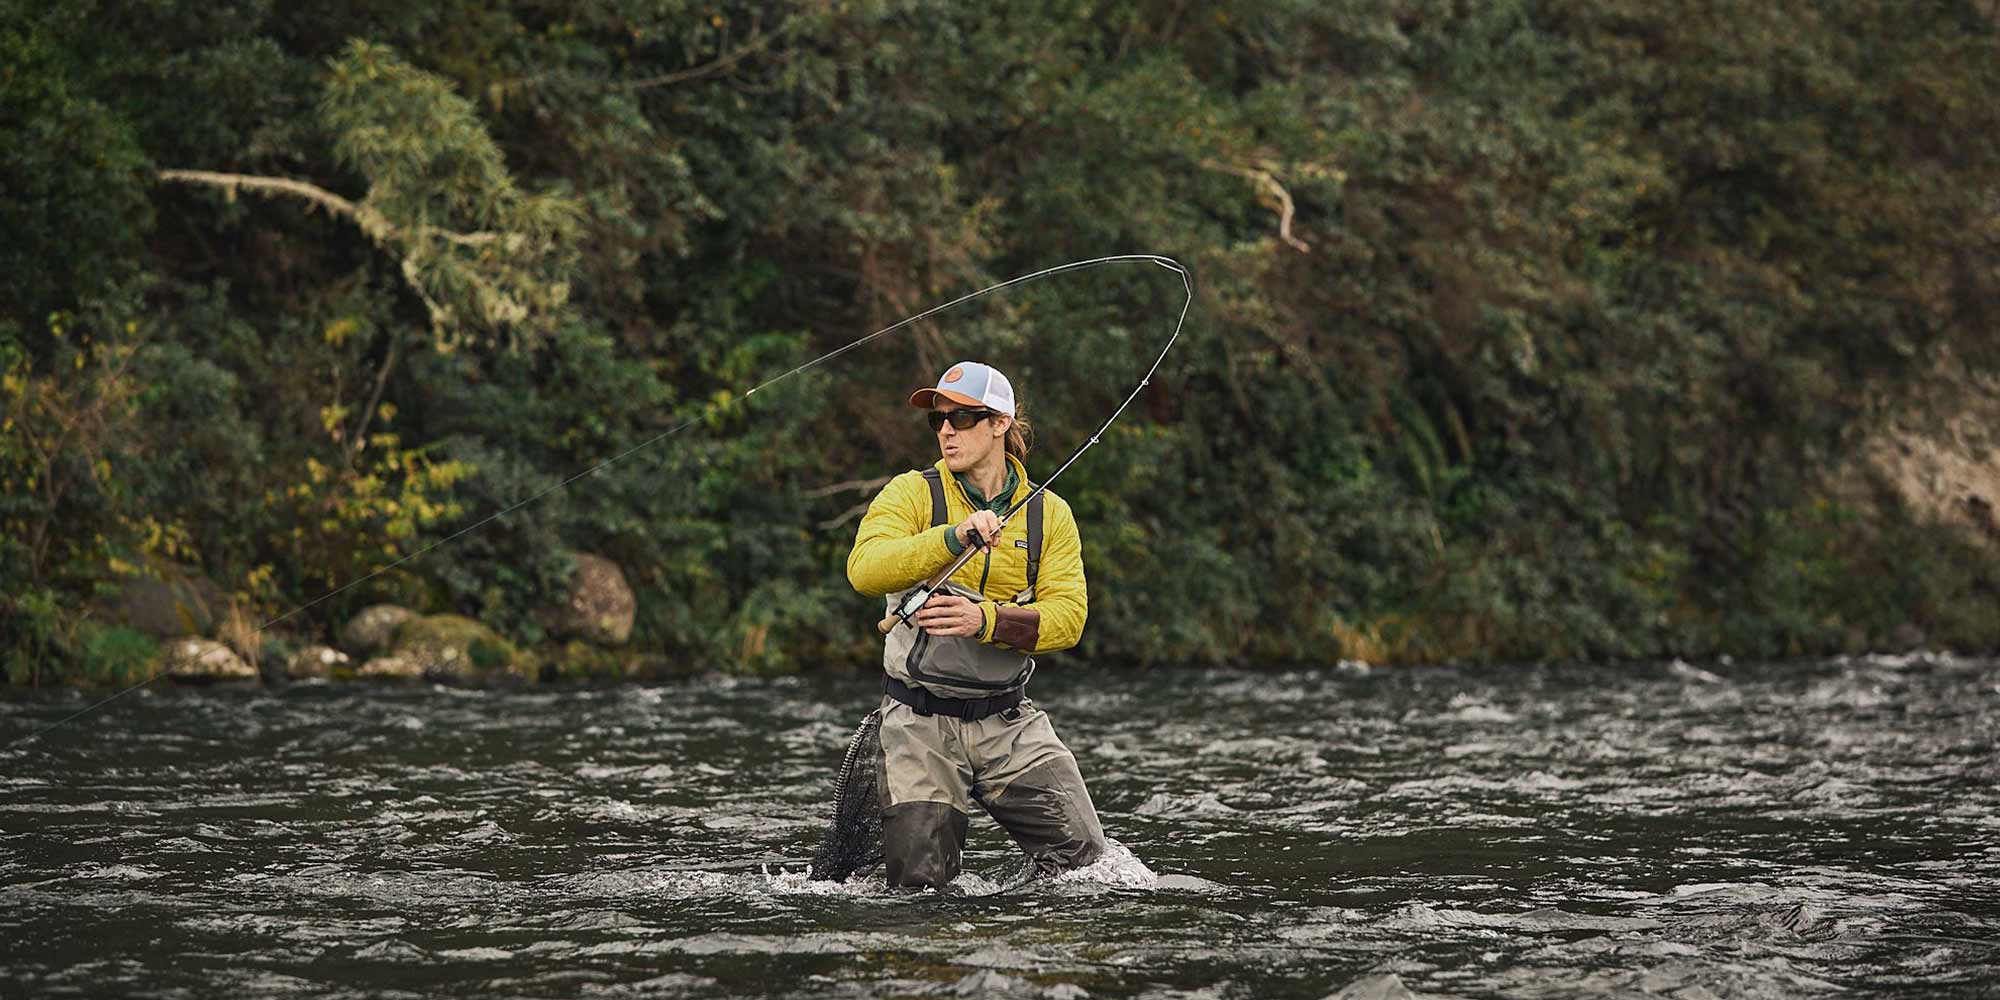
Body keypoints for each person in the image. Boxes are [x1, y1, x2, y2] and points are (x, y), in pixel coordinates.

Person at [845, 361, 1108, 888]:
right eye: (939, 420)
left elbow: (1069, 620)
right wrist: (951, 537)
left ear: (1000, 424)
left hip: (1009, 721)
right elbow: (864, 570)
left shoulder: (1049, 515)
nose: (947, 430)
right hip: (918, 722)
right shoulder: (911, 493)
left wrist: (984, 620)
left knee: (1090, 870)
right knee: (920, 887)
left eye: (964, 418)